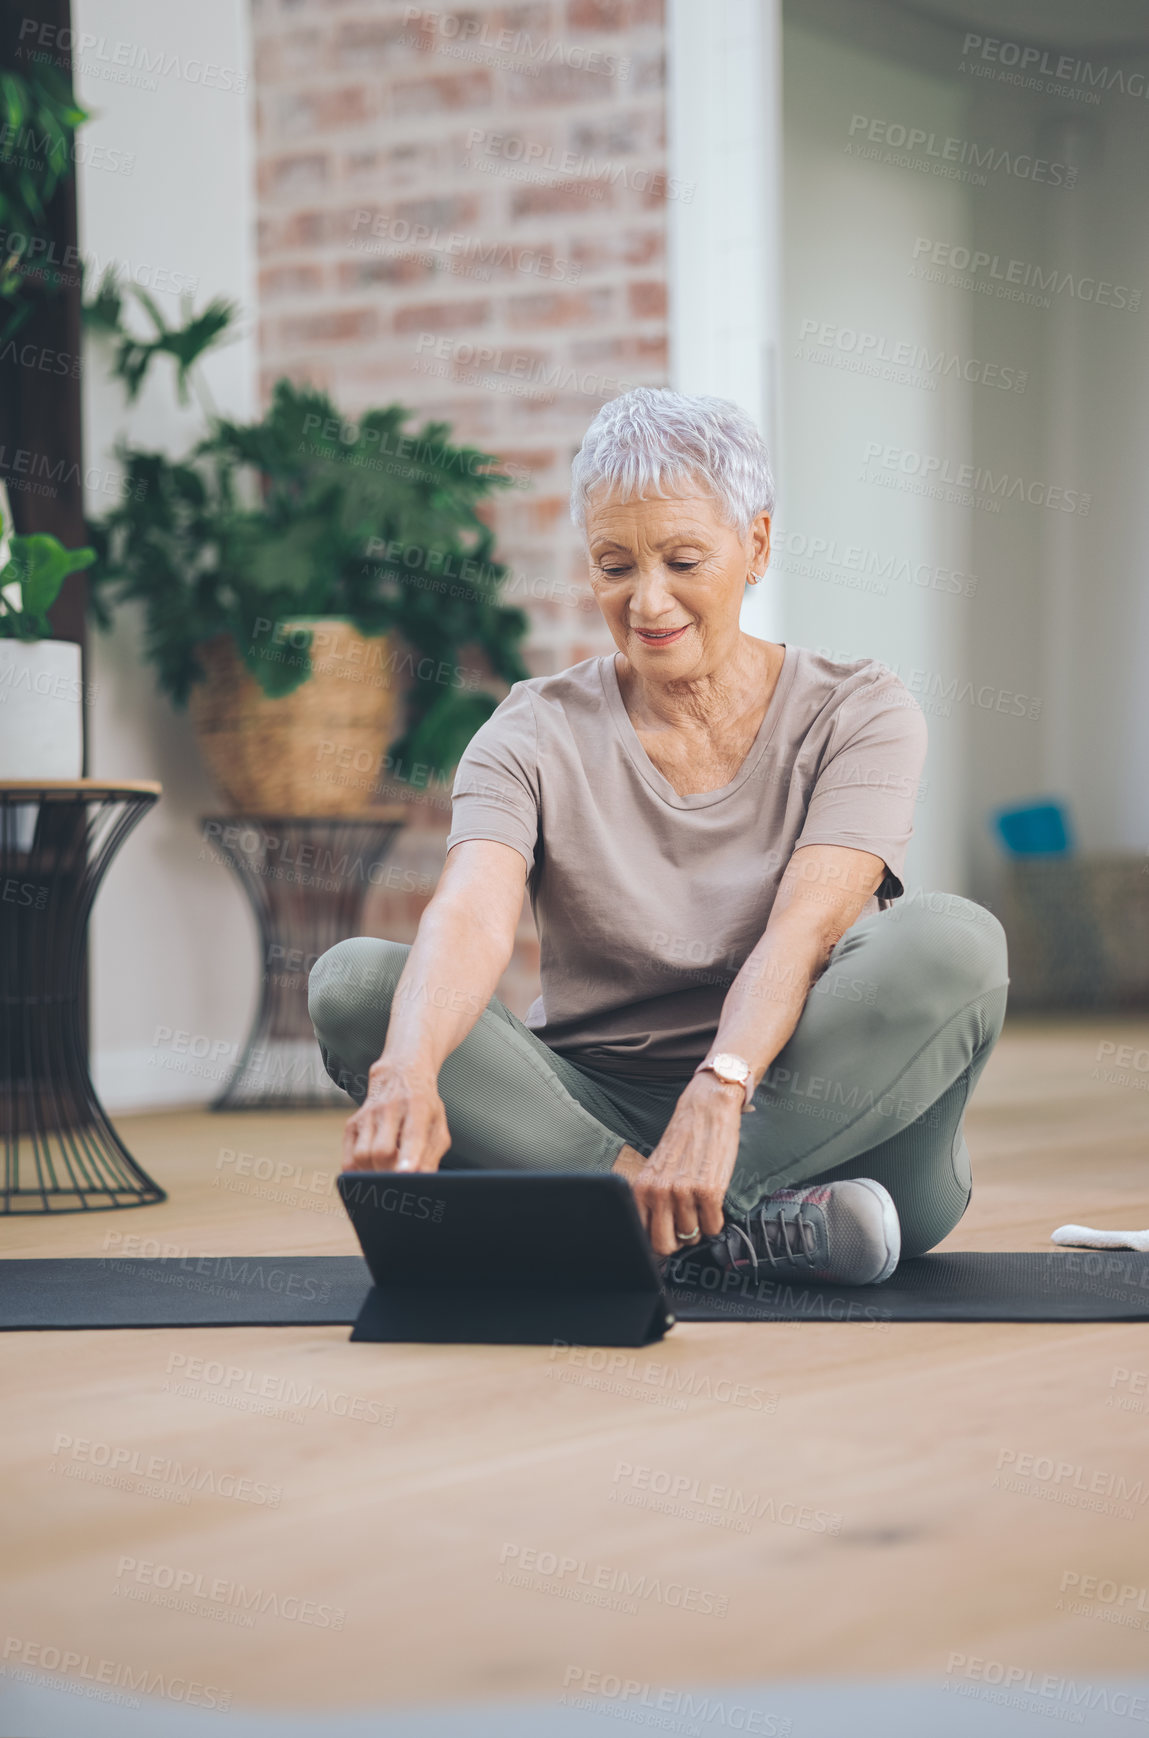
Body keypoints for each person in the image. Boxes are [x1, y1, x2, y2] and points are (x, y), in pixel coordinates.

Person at [309, 387, 1009, 1286]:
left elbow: (804, 931)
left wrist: (722, 1088)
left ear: (755, 545)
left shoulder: (858, 709)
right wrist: (404, 1068)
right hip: (585, 1119)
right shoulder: (531, 730)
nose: (647, 602)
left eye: (683, 559)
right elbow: (473, 912)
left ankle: (640, 1219)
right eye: (612, 565)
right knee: (360, 985)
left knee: (952, 940)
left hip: (811, 1118)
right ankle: (708, 1223)